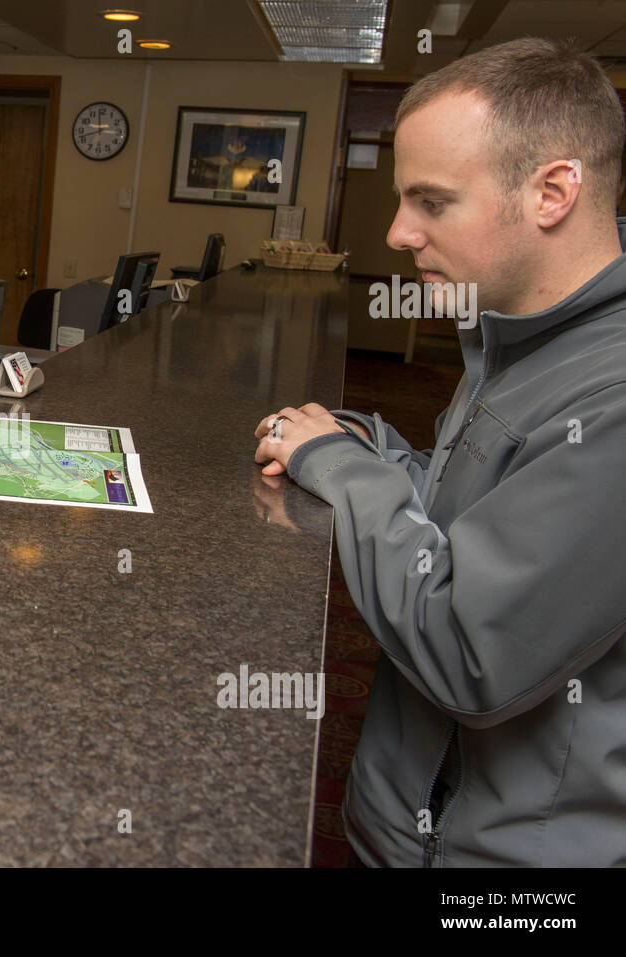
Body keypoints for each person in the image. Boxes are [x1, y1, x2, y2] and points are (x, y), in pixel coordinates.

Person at [253, 38, 626, 866]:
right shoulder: (516, 333)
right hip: (409, 817)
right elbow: (472, 516)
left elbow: (470, 650)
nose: (396, 232)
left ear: (554, 192)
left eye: (433, 201)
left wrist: (339, 465)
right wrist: (374, 448)